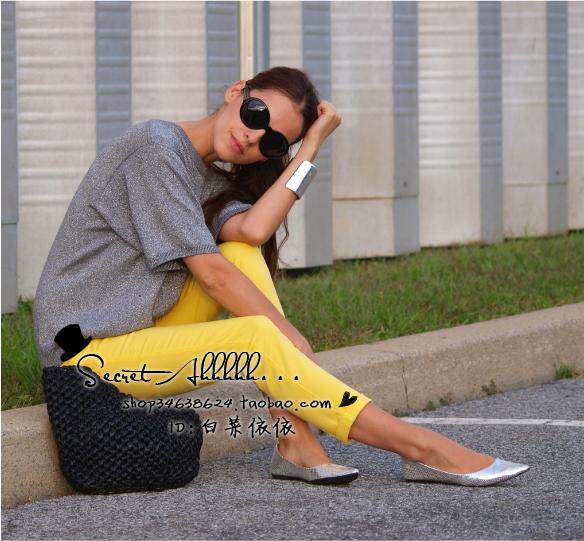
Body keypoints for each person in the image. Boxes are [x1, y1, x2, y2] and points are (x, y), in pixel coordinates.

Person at [33, 66, 529, 486]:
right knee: (256, 332)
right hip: (82, 355)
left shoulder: (204, 174)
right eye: (256, 116)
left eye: (271, 142)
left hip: (134, 331)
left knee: (240, 253)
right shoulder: (155, 148)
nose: (253, 137)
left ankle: (294, 439)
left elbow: (253, 229)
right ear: (237, 92)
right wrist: (289, 338)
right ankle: (419, 446)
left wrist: (309, 148)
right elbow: (211, 277)